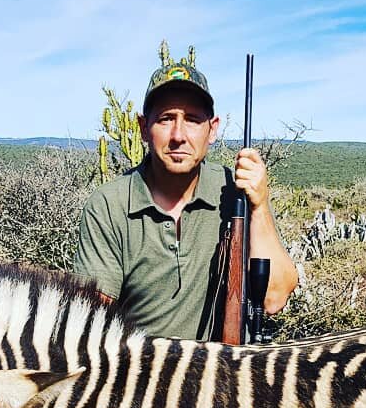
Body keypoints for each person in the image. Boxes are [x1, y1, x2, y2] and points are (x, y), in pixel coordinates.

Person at [73, 58, 298, 340]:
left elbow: (274, 299)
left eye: (192, 120)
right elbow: (90, 323)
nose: (179, 136)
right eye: (166, 119)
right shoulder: (109, 205)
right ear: (143, 127)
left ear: (212, 129)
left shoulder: (236, 191)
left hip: (229, 373)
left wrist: (260, 204)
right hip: (142, 374)